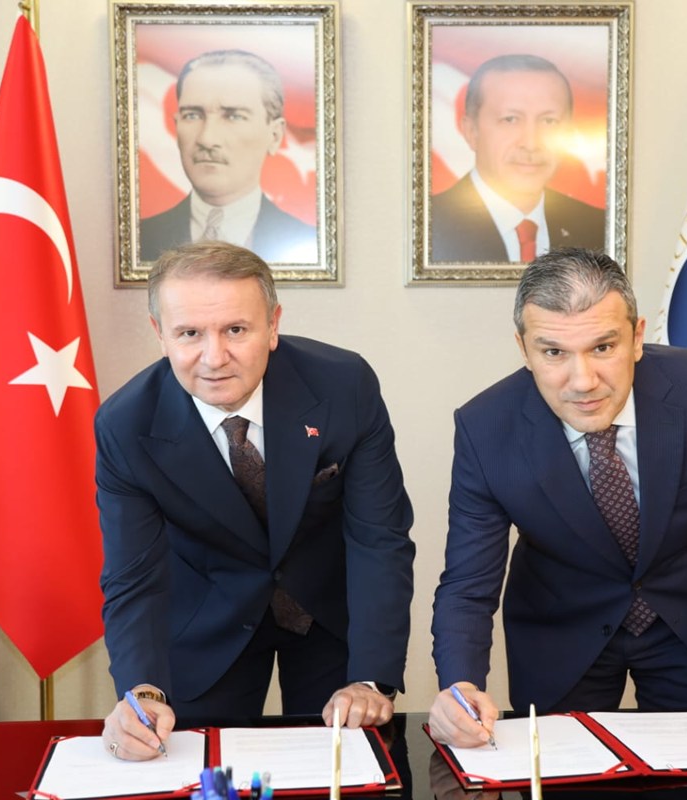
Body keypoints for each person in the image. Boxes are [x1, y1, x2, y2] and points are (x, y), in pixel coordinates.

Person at [428, 248, 687, 747]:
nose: (583, 381)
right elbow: (468, 582)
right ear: (523, 349)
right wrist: (459, 685)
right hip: (562, 631)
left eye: (603, 347)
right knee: (567, 777)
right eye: (553, 352)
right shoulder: (484, 428)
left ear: (637, 337)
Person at [96, 241, 414, 760]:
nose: (214, 357)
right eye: (189, 333)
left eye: (236, 330)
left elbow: (379, 538)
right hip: (206, 617)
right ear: (159, 334)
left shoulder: (344, 385)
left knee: (350, 768)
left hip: (325, 614)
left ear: (272, 325)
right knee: (197, 776)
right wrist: (142, 691)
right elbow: (133, 577)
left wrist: (371, 678)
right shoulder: (125, 426)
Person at [139, 50, 317, 264]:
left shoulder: (307, 242)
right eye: (192, 115)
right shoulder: (142, 240)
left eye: (234, 116)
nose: (207, 139)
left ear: (275, 136)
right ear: (177, 126)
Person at [430, 54, 606, 264]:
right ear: (471, 131)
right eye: (511, 119)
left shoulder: (599, 229)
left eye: (549, 121)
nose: (531, 143)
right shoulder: (429, 226)